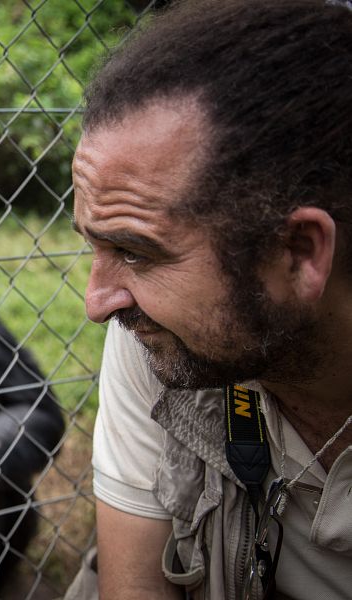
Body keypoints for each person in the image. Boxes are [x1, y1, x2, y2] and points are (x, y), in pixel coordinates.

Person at [66, 1, 352, 599]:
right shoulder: (158, 336)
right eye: (95, 245)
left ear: (299, 252)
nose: (97, 303)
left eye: (137, 252)